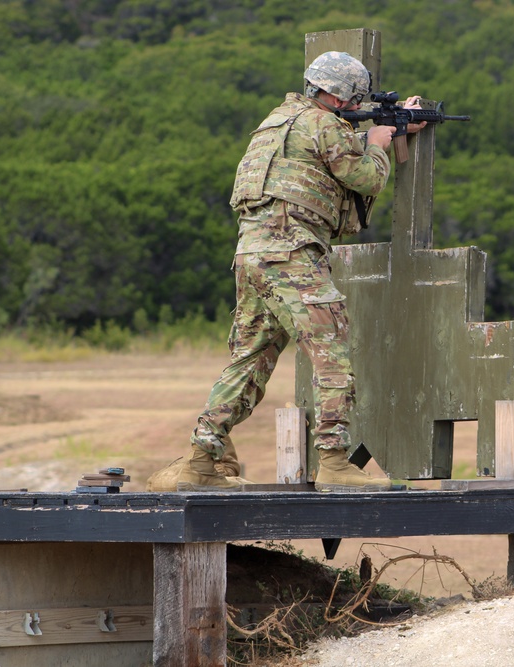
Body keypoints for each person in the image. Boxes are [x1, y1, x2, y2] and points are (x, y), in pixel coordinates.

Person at [176, 51, 425, 492]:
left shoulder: (277, 121)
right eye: (354, 100)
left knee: (249, 360)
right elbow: (366, 178)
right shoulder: (326, 125)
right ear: (339, 97)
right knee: (332, 351)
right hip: (291, 253)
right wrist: (377, 144)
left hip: (252, 254)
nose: (354, 107)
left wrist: (390, 126)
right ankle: (334, 462)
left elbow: (318, 154)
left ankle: (200, 463)